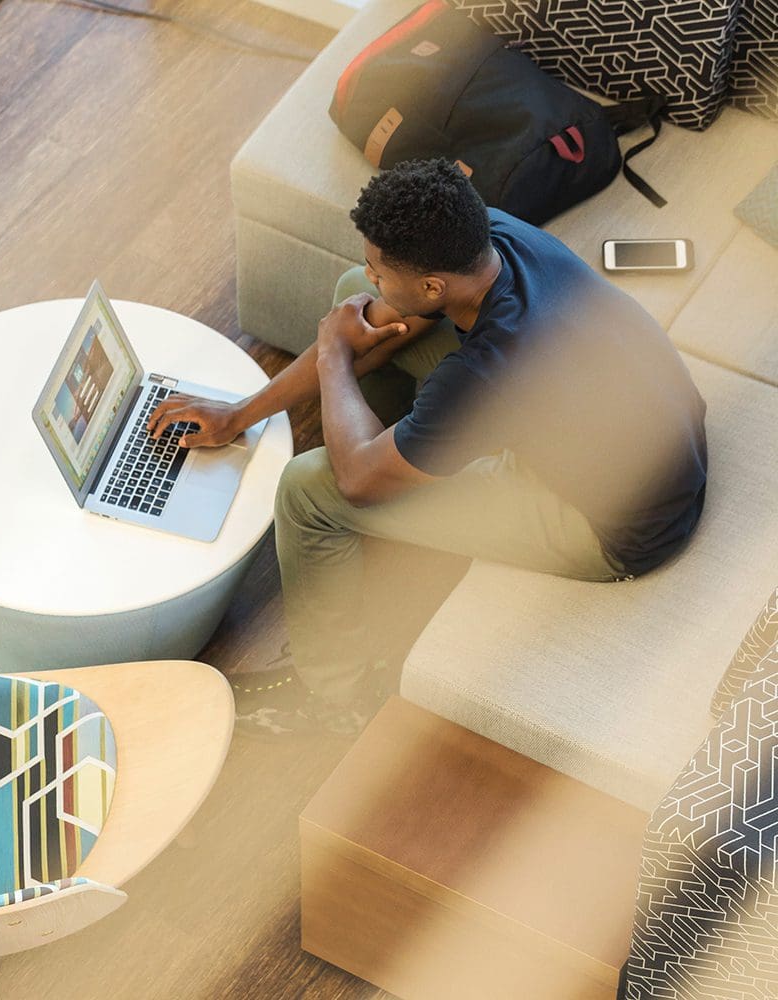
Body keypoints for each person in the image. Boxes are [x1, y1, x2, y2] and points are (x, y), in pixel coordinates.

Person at [148, 158, 708, 738]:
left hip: (612, 526)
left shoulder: (492, 367)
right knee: (351, 300)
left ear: (435, 286)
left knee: (308, 489)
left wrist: (335, 356)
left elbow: (356, 480)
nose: (372, 276)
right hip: (649, 438)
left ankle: (333, 697)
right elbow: (378, 314)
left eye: (380, 269)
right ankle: (401, 460)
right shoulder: (490, 237)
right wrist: (240, 414)